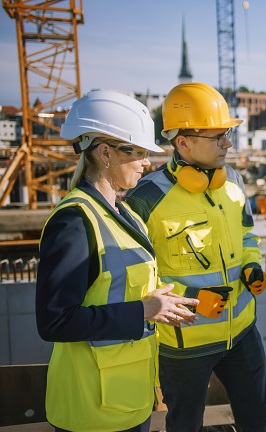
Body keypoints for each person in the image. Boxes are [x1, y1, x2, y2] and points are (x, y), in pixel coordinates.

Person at [36, 90, 199, 432]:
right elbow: (54, 322)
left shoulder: (124, 214)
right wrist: (143, 310)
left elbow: (121, 290)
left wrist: (162, 305)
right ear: (105, 152)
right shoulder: (75, 220)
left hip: (127, 399)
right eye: (137, 153)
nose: (146, 162)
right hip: (90, 409)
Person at [124, 82, 266, 432]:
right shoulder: (146, 198)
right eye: (217, 137)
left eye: (228, 134)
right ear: (183, 142)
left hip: (242, 334)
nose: (228, 144)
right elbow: (134, 274)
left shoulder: (233, 181)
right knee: (185, 425)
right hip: (184, 344)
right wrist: (189, 302)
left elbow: (248, 235)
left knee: (259, 422)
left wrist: (252, 265)